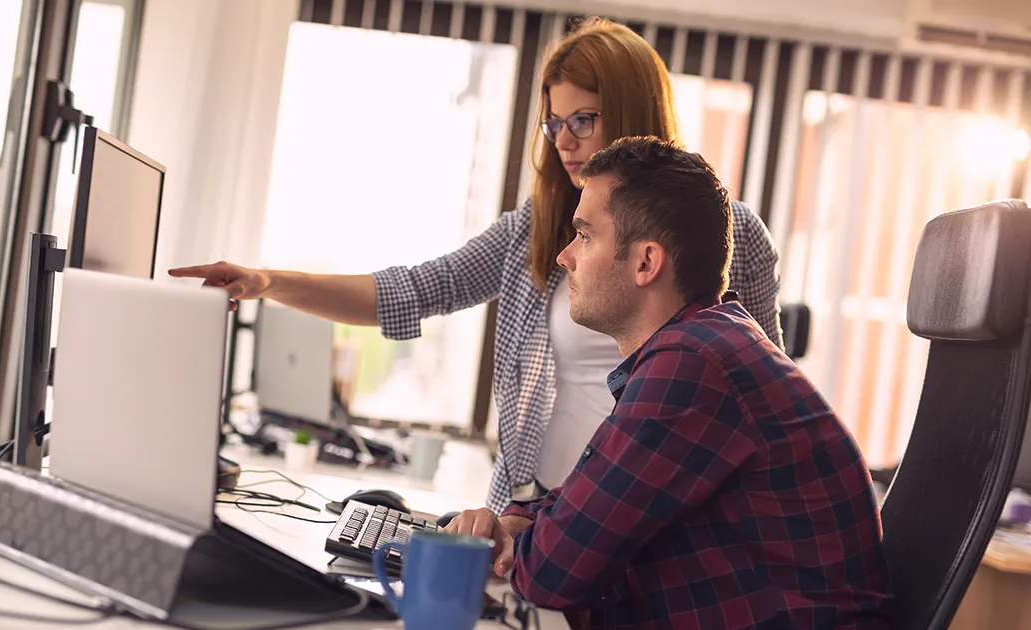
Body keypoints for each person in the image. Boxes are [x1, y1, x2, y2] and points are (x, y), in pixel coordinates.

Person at [168, 17, 784, 514]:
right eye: (553, 122)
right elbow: (412, 290)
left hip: (649, 519)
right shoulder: (537, 230)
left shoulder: (731, 231)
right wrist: (267, 282)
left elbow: (763, 398)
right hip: (534, 503)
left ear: (630, 115)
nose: (563, 140)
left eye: (583, 120)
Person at [444, 138, 893, 629]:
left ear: (646, 263)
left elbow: (554, 572)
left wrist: (517, 539)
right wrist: (515, 522)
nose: (564, 258)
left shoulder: (694, 363)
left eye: (585, 236)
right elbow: (585, 501)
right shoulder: (701, 346)